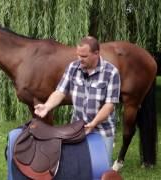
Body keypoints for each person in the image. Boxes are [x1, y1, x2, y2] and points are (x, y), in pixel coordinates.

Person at [34, 36, 121, 164]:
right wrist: (47, 106)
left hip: (103, 129)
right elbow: (60, 91)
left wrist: (94, 123)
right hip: (77, 127)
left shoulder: (111, 72)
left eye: (84, 56)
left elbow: (109, 105)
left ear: (96, 53)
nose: (80, 59)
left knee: (100, 168)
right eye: (78, 55)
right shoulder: (73, 67)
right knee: (77, 166)